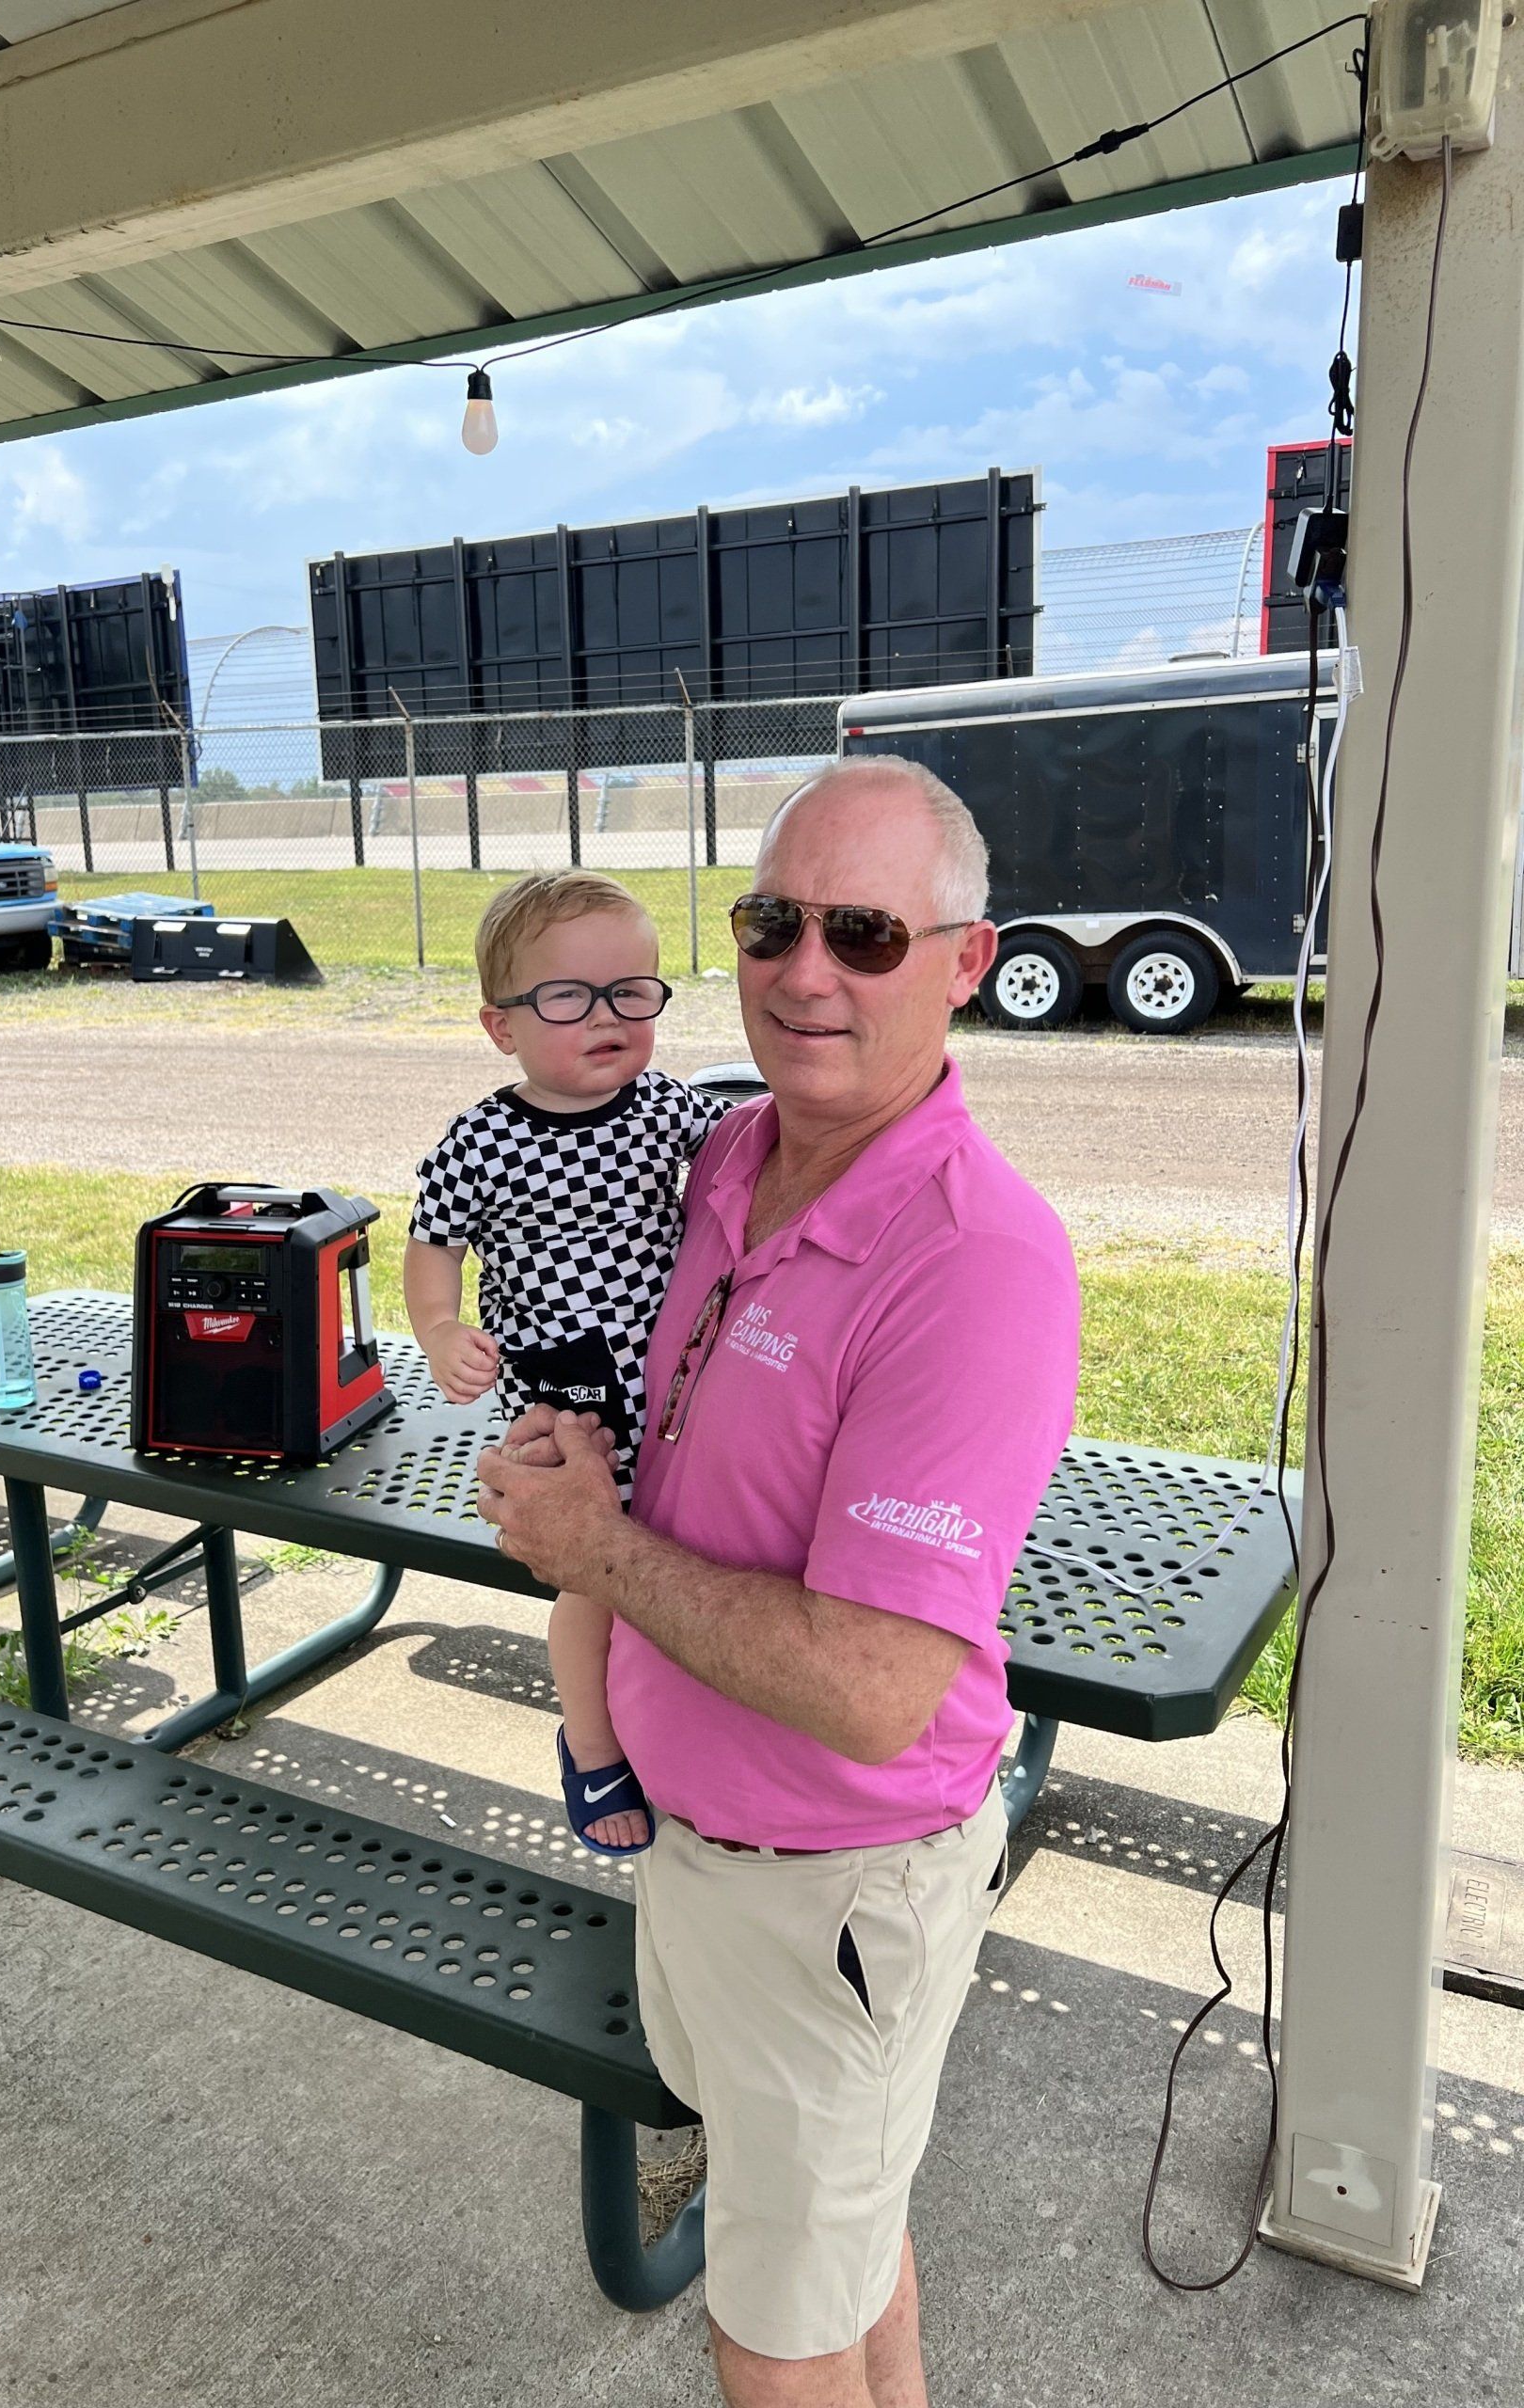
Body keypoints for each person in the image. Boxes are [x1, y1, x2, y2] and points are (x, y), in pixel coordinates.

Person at [476, 758, 1080, 2408]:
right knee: (839, 2223)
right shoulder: (723, 1159)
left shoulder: (974, 1260)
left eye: (868, 934)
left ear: (967, 962)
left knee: (774, 2323)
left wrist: (593, 1553)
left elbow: (877, 1694)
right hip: (703, 1848)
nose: (808, 972)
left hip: (832, 1889)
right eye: (772, 922)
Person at [404, 868, 727, 1856]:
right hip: (567, 1401)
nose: (607, 1017)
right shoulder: (484, 1139)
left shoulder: (664, 1107)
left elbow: (745, 1164)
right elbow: (433, 1243)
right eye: (567, 997)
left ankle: (692, 1726)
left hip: (680, 1384)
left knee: (692, 1556)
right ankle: (593, 1748)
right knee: (592, 1580)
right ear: (503, 1027)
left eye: (632, 991)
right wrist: (439, 1330)